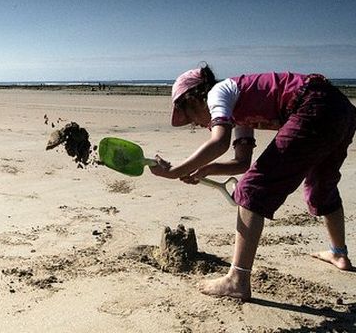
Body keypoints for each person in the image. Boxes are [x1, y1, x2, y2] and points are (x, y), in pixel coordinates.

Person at [149, 62, 356, 300]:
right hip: (341, 110)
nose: (195, 124)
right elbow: (241, 162)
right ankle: (339, 254)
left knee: (252, 189)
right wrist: (206, 169)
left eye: (190, 116)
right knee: (322, 185)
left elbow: (219, 142)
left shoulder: (217, 92)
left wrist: (175, 171)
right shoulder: (238, 108)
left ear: (195, 98)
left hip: (313, 105)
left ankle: (237, 280)